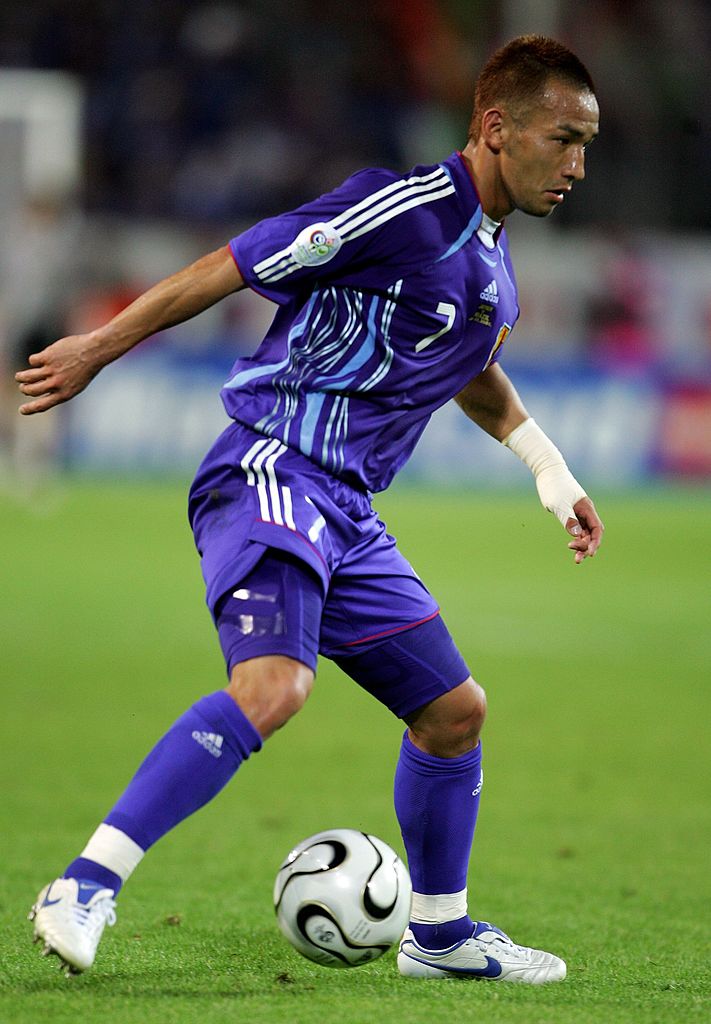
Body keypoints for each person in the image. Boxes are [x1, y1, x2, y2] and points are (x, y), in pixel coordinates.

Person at [17, 35, 603, 983]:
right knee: (275, 688)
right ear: (496, 127)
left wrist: (550, 469)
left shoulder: (492, 269)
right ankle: (84, 885)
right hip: (273, 467)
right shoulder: (401, 209)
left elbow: (468, 367)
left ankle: (438, 937)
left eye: (586, 146)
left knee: (453, 713)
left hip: (347, 513)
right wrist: (98, 347)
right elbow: (233, 263)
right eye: (562, 139)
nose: (576, 165)